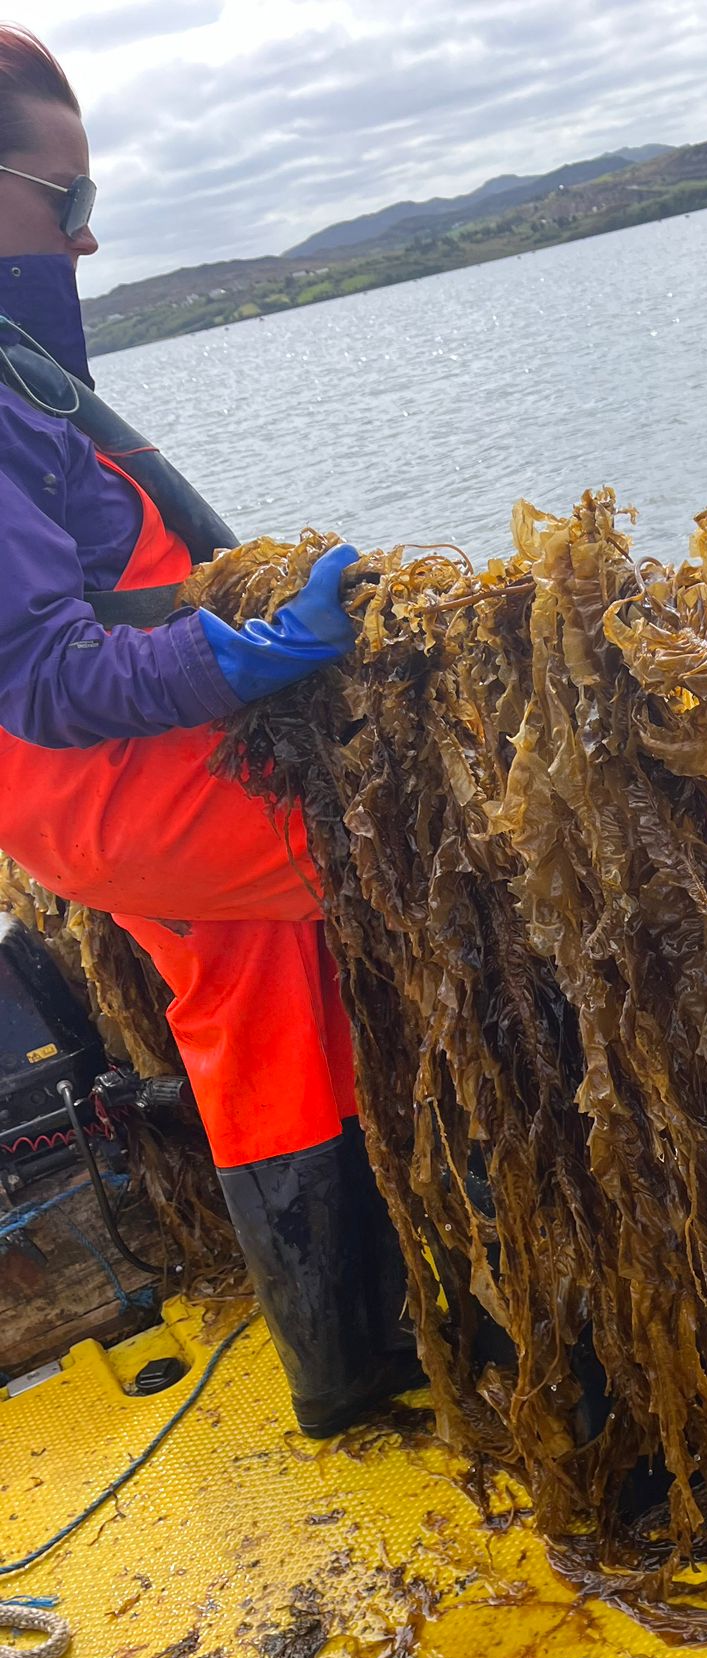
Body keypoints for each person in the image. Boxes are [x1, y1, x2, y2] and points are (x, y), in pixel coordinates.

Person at [0, 27, 420, 1437]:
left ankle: (347, 1366)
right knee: (463, 874)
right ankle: (532, 1321)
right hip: (119, 783)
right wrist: (255, 653)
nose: (90, 232)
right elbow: (41, 672)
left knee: (258, 1015)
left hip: (98, 796)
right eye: (64, 200)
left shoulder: (21, 377)